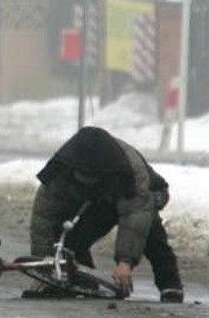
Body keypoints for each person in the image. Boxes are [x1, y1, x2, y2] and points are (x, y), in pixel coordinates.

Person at [28, 127, 184, 303]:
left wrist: (125, 262)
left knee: (151, 232)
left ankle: (170, 285)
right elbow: (44, 218)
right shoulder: (61, 169)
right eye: (81, 178)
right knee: (70, 235)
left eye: (90, 178)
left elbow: (135, 220)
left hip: (144, 195)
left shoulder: (131, 172)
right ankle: (82, 278)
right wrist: (44, 266)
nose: (86, 181)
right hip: (96, 202)